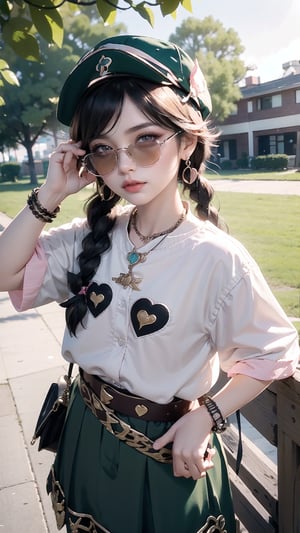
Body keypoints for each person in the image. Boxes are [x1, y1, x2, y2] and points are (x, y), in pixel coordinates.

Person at [0, 34, 298, 533]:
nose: (124, 166)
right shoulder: (86, 238)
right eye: (103, 149)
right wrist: (50, 192)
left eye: (145, 138)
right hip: (85, 425)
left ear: (185, 141)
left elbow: (272, 351)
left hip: (166, 447)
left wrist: (208, 417)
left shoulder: (216, 258)